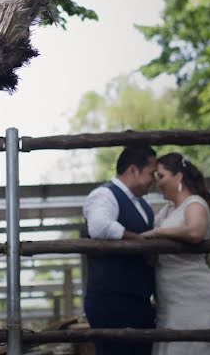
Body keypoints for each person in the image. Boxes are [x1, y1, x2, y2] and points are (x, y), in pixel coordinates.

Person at [141, 152, 210, 355]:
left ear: (179, 177)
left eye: (161, 176)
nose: (157, 182)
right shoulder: (167, 210)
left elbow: (195, 232)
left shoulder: (195, 204)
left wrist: (158, 232)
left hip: (191, 292)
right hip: (169, 296)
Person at [83, 145, 158, 355]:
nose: (155, 179)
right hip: (111, 301)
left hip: (138, 301)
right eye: (151, 173)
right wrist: (141, 243)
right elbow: (99, 226)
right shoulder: (104, 195)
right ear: (133, 170)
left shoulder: (143, 204)